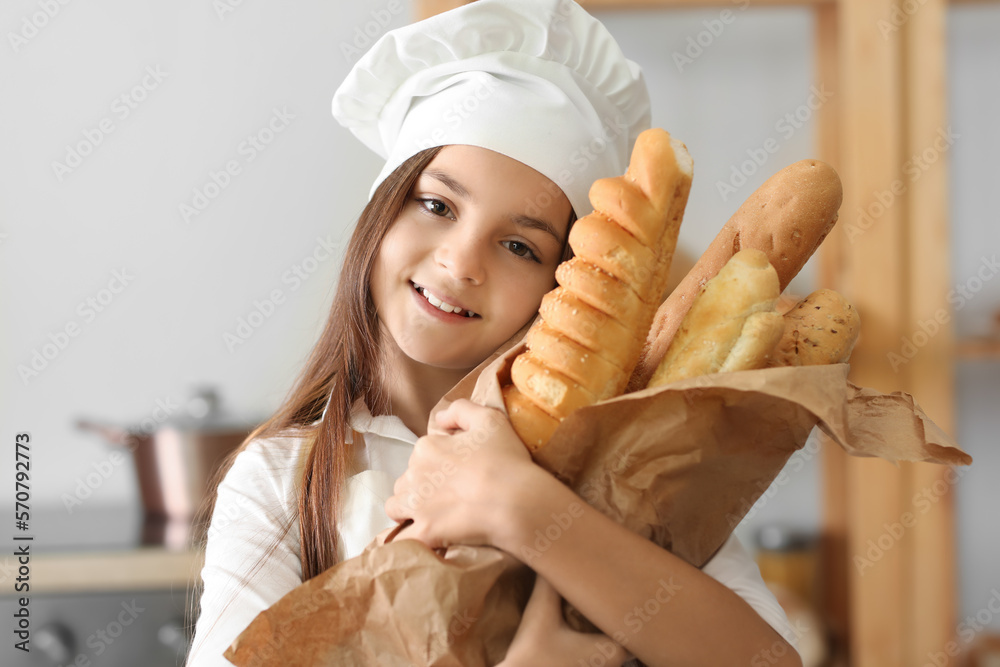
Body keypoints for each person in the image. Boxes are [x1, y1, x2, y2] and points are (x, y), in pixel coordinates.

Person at [186, 1, 803, 665]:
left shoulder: (629, 454)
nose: (461, 261)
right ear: (381, 212)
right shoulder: (286, 479)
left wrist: (528, 513)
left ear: (563, 288)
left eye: (518, 245)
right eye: (436, 205)